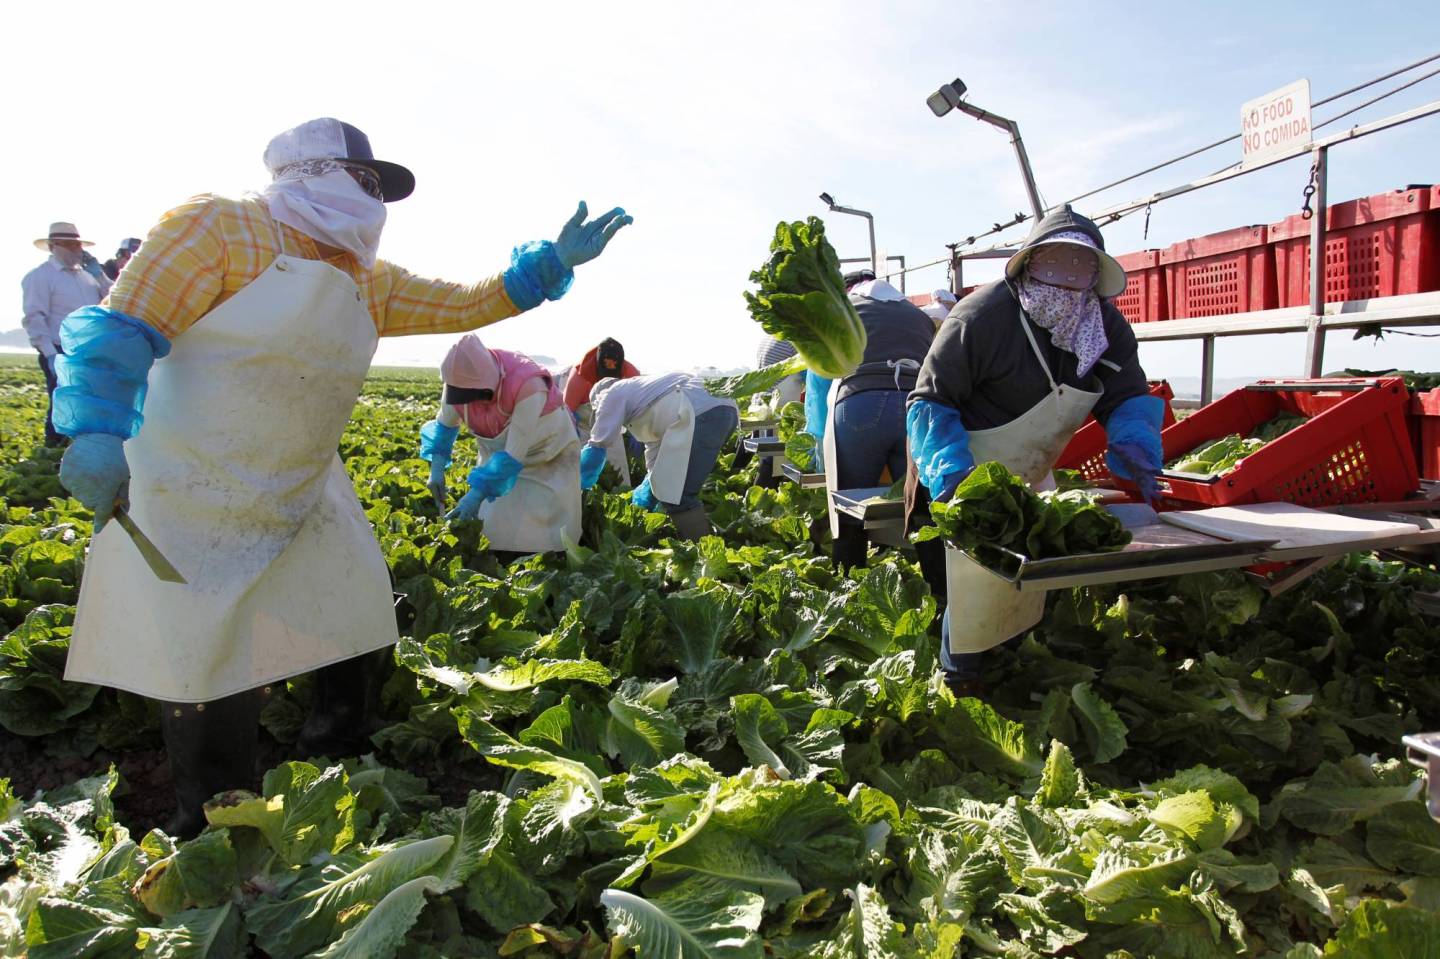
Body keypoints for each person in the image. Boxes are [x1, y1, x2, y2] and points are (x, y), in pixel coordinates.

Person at [51, 117, 631, 835]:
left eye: (376, 188)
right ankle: (210, 821)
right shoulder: (219, 227)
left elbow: (467, 302)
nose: (369, 199)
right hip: (195, 481)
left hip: (302, 481)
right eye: (358, 179)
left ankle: (333, 743)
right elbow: (123, 326)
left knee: (357, 603)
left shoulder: (368, 278)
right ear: (304, 173)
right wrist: (96, 430)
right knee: (203, 651)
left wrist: (545, 267)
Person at [905, 206, 1163, 693]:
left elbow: (1127, 394)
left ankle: (1008, 668)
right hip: (956, 468)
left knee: (1024, 585)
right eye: (1052, 265)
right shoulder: (981, 316)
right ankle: (959, 691)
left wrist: (1134, 438)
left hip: (1029, 473)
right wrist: (953, 475)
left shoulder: (1104, 328)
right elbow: (930, 401)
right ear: (1028, 263)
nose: (1064, 282)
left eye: (1079, 268)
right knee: (965, 594)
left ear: (1095, 275)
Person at [801, 274, 939, 573]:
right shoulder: (917, 316)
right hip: (916, 406)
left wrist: (819, 446)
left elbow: (819, 387)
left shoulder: (843, 312)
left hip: (859, 404)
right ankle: (941, 595)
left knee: (847, 506)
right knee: (921, 507)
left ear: (848, 291)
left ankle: (847, 588)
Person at [419, 334, 581, 555]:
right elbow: (444, 429)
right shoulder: (458, 385)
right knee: (493, 529)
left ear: (486, 386)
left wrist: (476, 494)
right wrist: (436, 467)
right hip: (497, 462)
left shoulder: (528, 384)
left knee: (546, 529)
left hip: (547, 452)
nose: (469, 403)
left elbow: (514, 453)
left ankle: (555, 557)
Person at [579, 372, 738, 539]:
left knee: (678, 497)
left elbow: (597, 445)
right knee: (675, 491)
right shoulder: (643, 395)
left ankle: (703, 550)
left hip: (702, 413)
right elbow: (656, 463)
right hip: (725, 409)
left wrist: (579, 484)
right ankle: (706, 540)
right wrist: (645, 497)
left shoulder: (611, 393)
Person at [21, 222, 111, 446]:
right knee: (62, 403)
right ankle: (54, 446)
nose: (75, 250)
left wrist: (100, 276)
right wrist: (50, 354)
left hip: (90, 349)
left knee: (90, 402)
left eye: (77, 245)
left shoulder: (88, 276)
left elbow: (114, 300)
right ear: (53, 246)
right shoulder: (40, 277)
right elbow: (35, 317)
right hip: (60, 349)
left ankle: (82, 444)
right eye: (69, 245)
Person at [562, 337, 639, 412]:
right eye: (605, 375)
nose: (607, 380)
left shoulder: (632, 375)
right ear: (597, 364)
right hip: (565, 381)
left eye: (613, 376)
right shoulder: (580, 377)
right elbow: (566, 412)